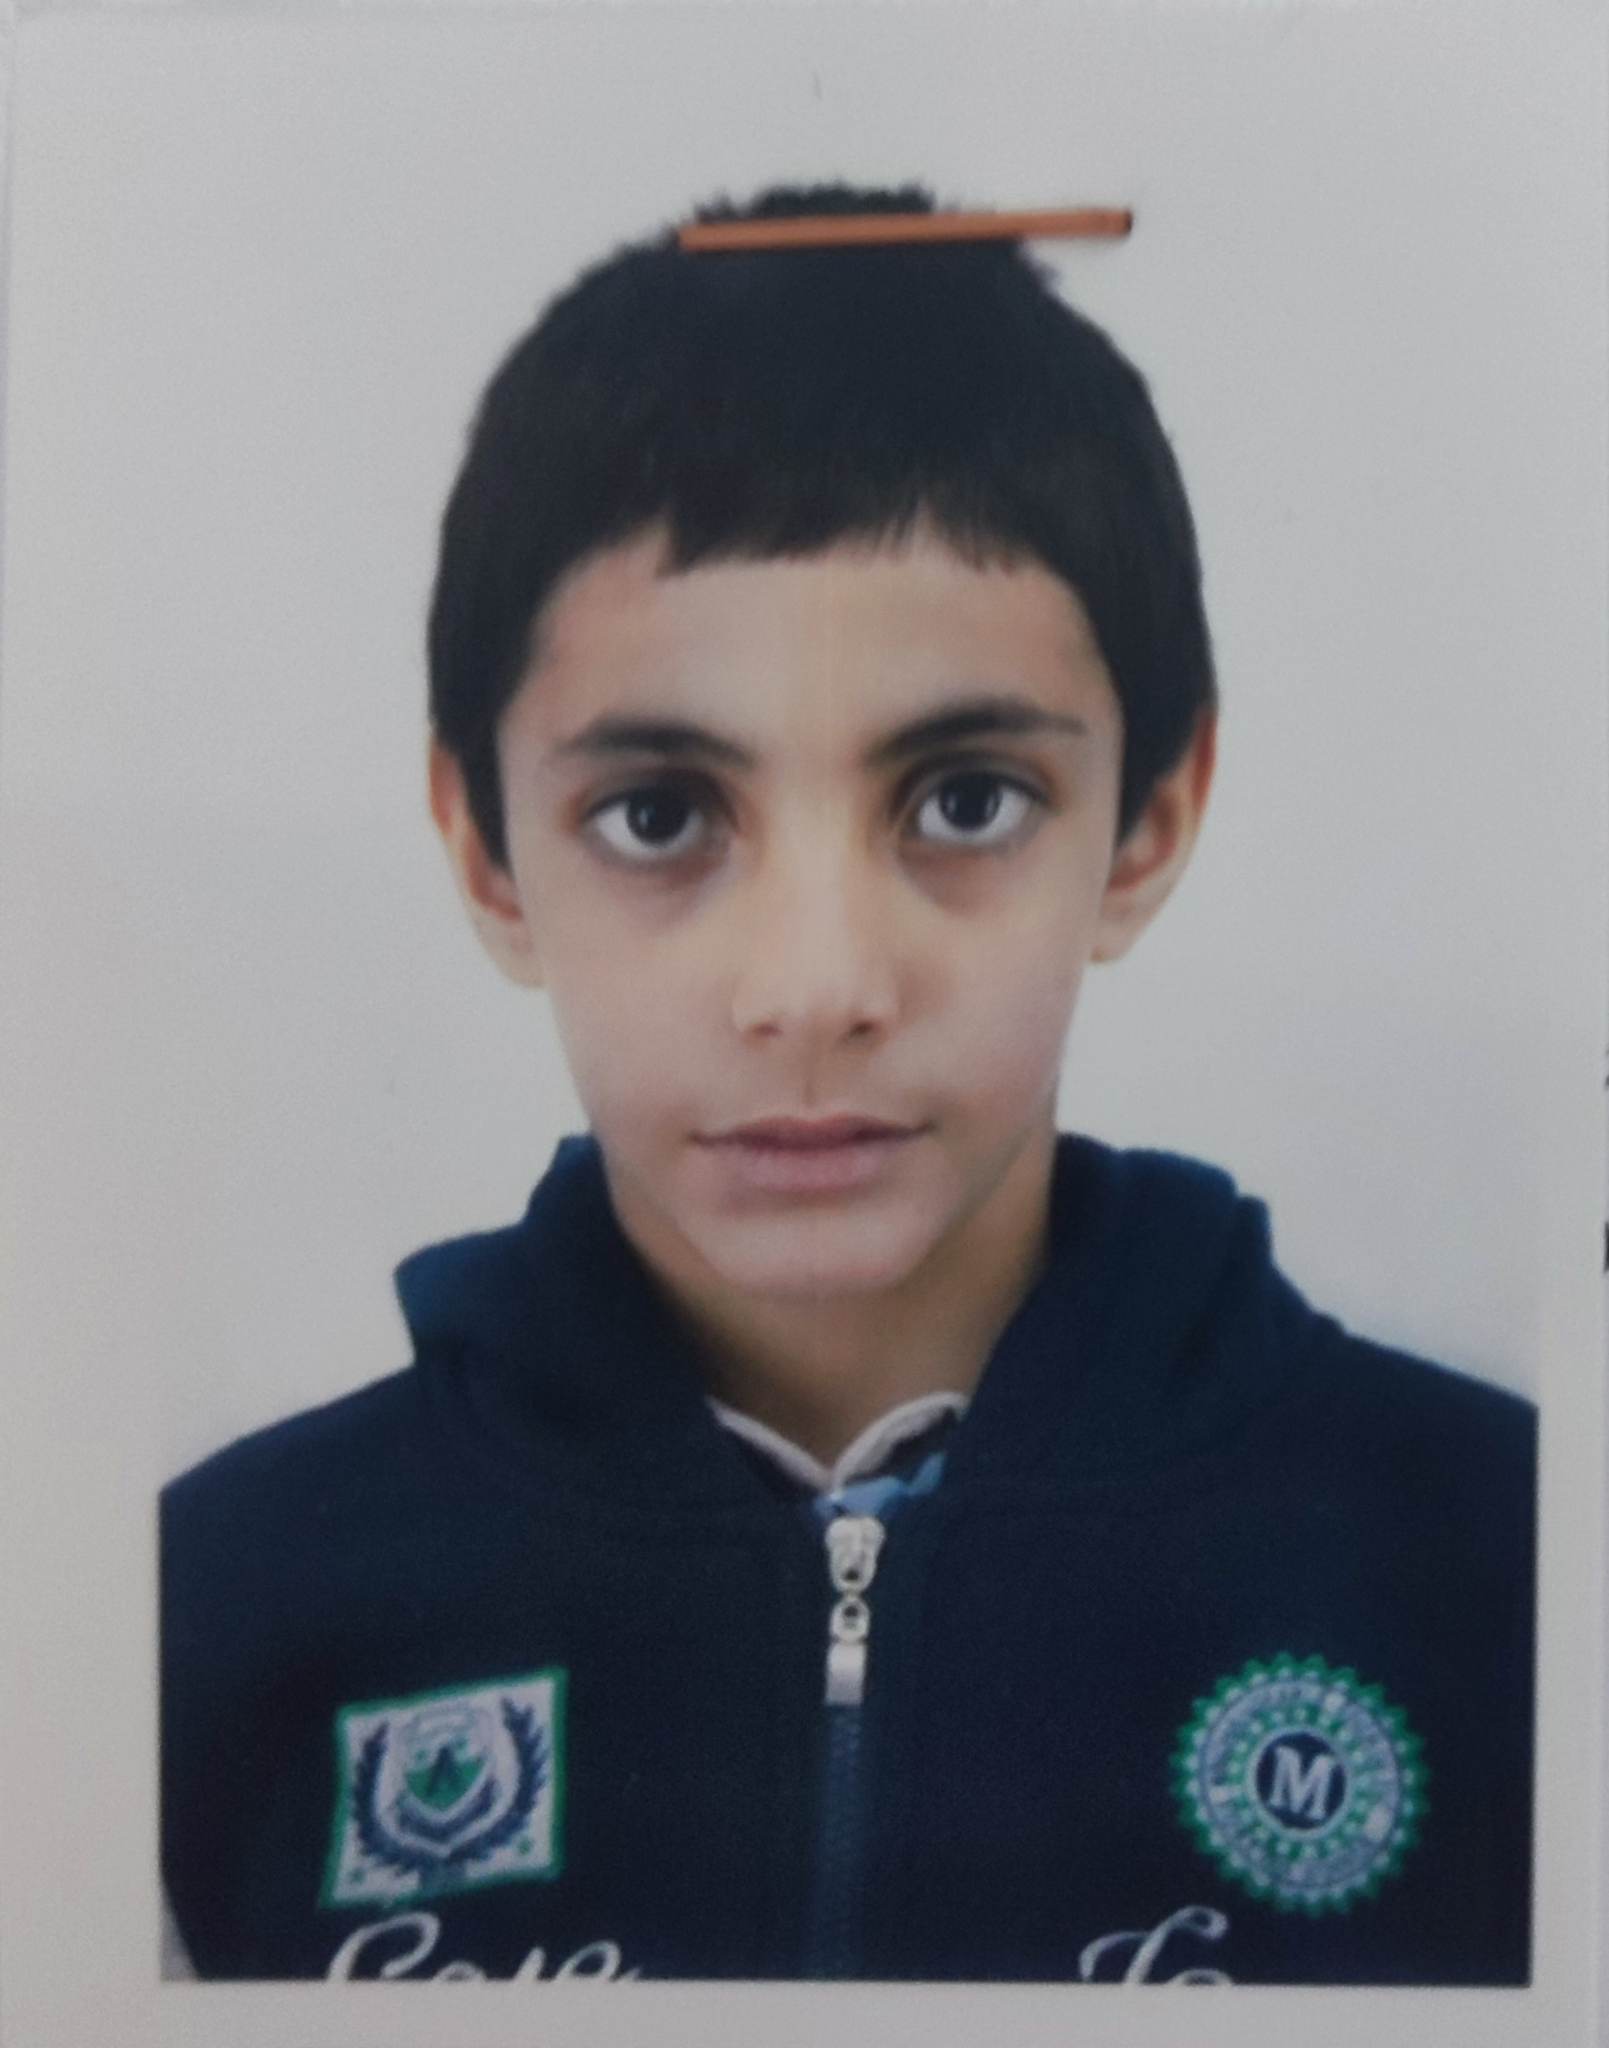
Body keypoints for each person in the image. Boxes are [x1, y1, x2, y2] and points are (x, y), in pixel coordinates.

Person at [160, 180, 1535, 1986]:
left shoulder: (1501, 1563)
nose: (814, 990)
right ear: (487, 854)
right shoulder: (209, 1610)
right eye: (658, 814)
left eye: (963, 798)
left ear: (1146, 824)